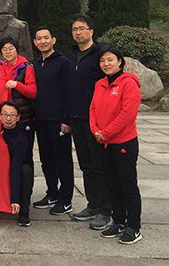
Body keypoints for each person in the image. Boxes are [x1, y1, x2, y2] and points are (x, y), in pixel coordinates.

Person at [90, 44, 142, 244]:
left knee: (127, 184)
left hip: (123, 142)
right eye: (102, 60)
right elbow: (93, 108)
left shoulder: (128, 83)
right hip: (104, 142)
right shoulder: (100, 84)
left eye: (110, 59)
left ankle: (134, 226)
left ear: (120, 61)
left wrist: (106, 133)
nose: (106, 63)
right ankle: (118, 221)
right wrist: (95, 130)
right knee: (111, 183)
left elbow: (127, 114)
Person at [68, 14, 112, 230]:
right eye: (75, 29)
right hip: (77, 118)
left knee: (100, 165)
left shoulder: (100, 54)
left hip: (96, 120)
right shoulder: (73, 54)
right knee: (86, 164)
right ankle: (92, 204)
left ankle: (105, 210)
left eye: (82, 28)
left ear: (91, 31)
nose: (78, 32)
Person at [31, 27, 74, 216]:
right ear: (35, 42)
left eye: (46, 38)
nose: (43, 41)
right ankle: (52, 193)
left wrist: (67, 119)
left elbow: (70, 92)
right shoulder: (37, 64)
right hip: (40, 120)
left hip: (58, 121)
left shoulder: (63, 62)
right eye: (39, 39)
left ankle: (66, 199)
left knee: (63, 160)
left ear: (53, 40)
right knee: (46, 160)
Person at [0, 36, 36, 207]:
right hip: (4, 122)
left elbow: (33, 93)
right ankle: (5, 195)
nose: (8, 51)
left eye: (11, 48)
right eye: (4, 49)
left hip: (23, 120)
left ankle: (24, 198)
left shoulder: (26, 68)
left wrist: (16, 85)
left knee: (24, 161)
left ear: (17, 49)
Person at [0, 101, 33, 227]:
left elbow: (15, 167)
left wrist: (15, 199)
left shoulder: (21, 139)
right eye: (5, 114)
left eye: (12, 115)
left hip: (15, 167)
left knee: (25, 170)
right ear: (0, 116)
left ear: (18, 118)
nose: (8, 119)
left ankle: (24, 211)